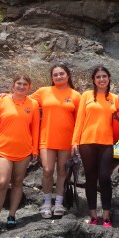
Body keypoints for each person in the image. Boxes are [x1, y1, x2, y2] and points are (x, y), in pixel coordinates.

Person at [72, 66, 119, 227]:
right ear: (94, 80)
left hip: (106, 143)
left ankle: (106, 215)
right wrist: (74, 142)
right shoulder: (86, 96)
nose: (101, 79)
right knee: (90, 178)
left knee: (104, 177)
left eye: (104, 76)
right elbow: (80, 120)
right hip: (87, 142)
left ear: (109, 78)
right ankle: (93, 215)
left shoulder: (114, 98)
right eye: (98, 77)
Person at [0, 75, 40, 231]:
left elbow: (35, 128)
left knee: (18, 182)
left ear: (29, 87)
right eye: (19, 83)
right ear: (13, 85)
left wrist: (35, 149)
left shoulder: (33, 104)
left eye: (25, 84)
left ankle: (12, 215)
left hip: (24, 150)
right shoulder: (1, 101)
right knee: (2, 182)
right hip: (2, 149)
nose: (21, 86)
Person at [32, 65, 81, 219]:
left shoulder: (75, 95)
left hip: (67, 140)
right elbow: (23, 101)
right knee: (47, 170)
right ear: (52, 77)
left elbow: (80, 120)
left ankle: (58, 203)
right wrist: (5, 96)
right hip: (46, 138)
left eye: (62, 74)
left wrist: (76, 141)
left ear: (68, 75)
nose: (59, 77)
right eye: (55, 75)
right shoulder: (43, 91)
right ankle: (47, 202)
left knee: (62, 171)